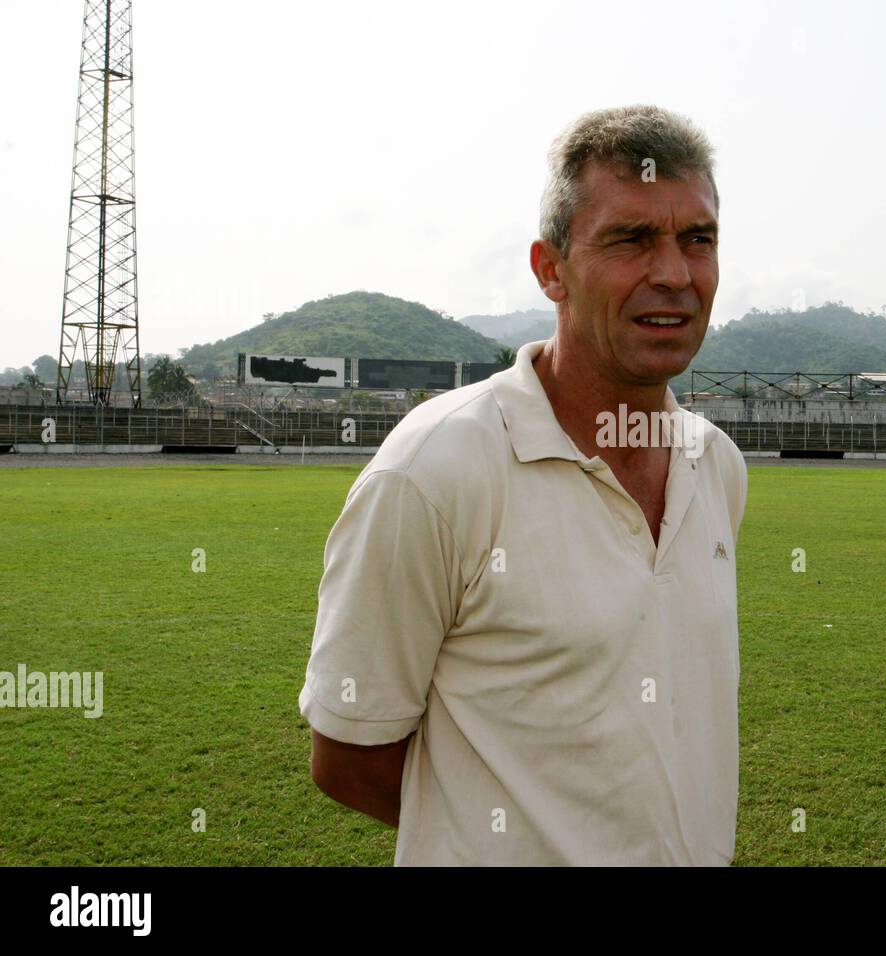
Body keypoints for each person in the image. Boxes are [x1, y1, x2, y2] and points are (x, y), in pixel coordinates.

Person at [299, 104, 748, 865]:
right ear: (551, 269)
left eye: (696, 239)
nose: (673, 273)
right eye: (631, 239)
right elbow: (348, 756)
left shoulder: (716, 464)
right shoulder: (434, 472)